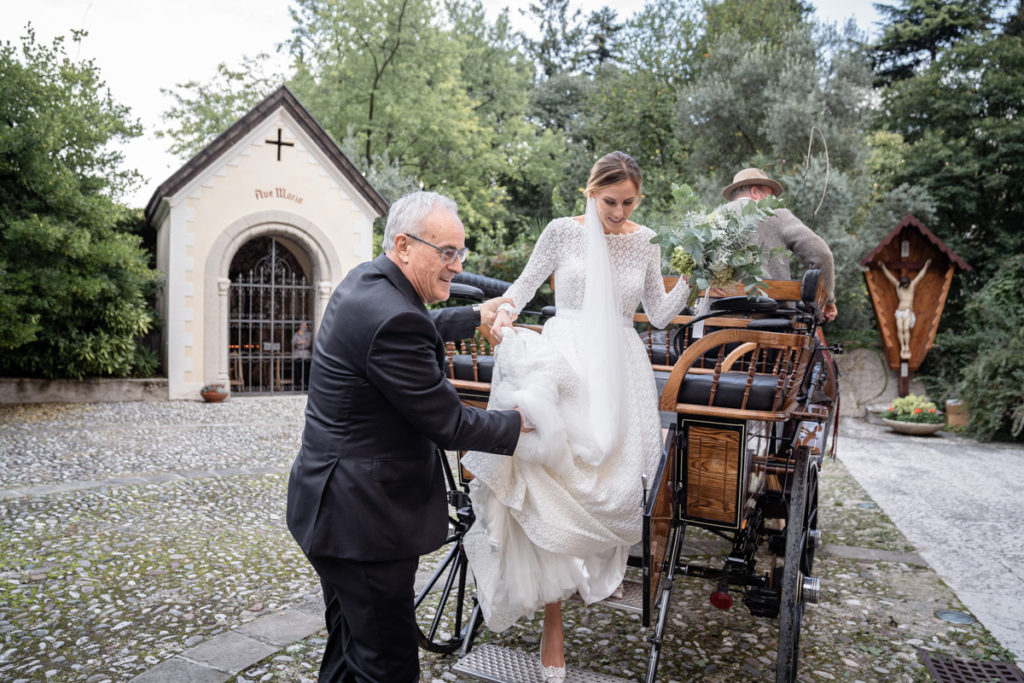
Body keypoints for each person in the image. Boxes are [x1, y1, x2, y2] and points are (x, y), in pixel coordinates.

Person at [461, 151, 690, 682]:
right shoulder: (561, 233)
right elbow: (522, 285)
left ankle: (589, 572)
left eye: (627, 202)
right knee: (549, 473)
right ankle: (553, 625)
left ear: (639, 197)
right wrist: (508, 313)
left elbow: (657, 314)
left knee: (611, 483)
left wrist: (696, 278)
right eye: (608, 201)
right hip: (566, 359)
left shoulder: (647, 241)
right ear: (591, 193)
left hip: (622, 367)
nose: (616, 211)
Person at [285, 191, 527, 682]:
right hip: (364, 524)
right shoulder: (394, 317)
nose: (457, 266)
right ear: (403, 245)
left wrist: (473, 316)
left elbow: (415, 324)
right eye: (446, 253)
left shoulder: (366, 282)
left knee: (351, 648)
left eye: (460, 252)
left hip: (329, 506)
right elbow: (450, 424)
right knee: (387, 666)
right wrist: (520, 422)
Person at [721, 168, 838, 321]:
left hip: (716, 315)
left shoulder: (717, 215)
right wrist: (828, 300)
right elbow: (823, 255)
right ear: (755, 192)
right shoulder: (775, 213)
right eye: (771, 196)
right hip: (768, 316)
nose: (774, 202)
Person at [880, 258, 930, 359]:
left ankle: (907, 346)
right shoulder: (899, 286)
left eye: (907, 284)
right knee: (899, 328)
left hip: (908, 310)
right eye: (904, 285)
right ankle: (902, 346)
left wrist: (926, 265)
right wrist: (883, 267)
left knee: (906, 328)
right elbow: (890, 277)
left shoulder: (912, 285)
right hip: (900, 311)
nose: (906, 286)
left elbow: (920, 276)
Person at [290, 321, 312, 390]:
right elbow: (293, 342)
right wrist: (302, 341)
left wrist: (299, 342)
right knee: (297, 372)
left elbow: (308, 343)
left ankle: (306, 387)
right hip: (297, 355)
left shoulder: (309, 334)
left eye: (305, 325)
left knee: (306, 372)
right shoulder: (297, 333)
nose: (303, 326)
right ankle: (297, 387)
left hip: (306, 355)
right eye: (302, 325)